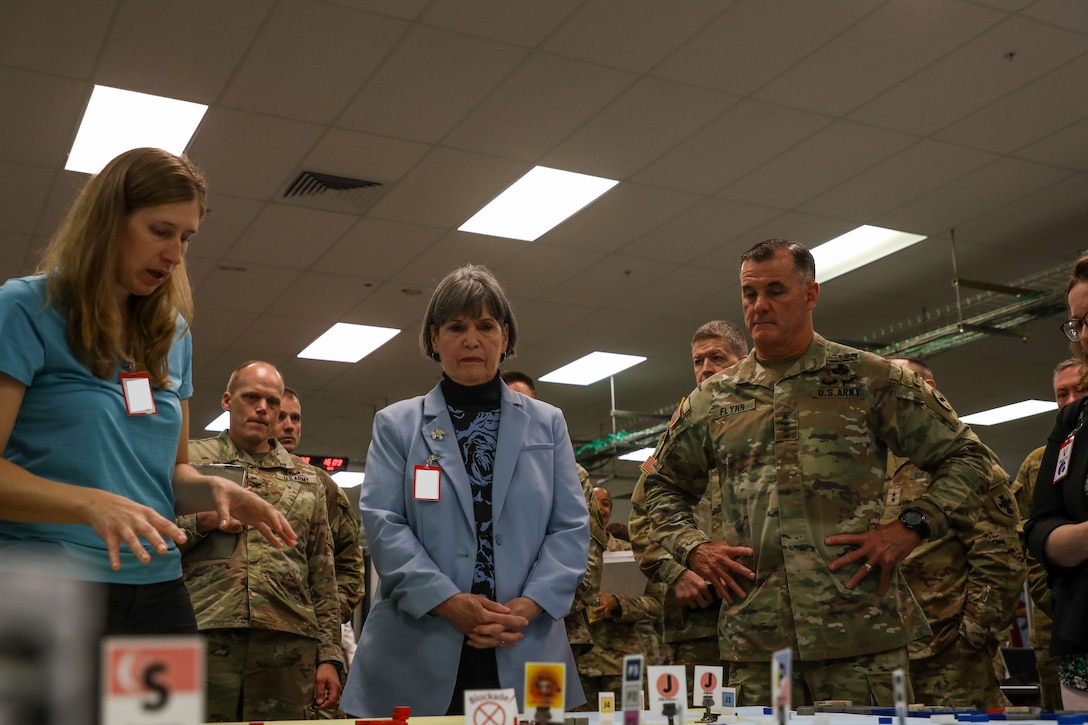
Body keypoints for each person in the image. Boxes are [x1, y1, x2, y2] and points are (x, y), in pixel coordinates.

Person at [641, 239, 999, 707]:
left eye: (776, 291)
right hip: (758, 644)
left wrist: (911, 526)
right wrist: (695, 549)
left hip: (860, 636)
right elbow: (661, 488)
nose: (760, 306)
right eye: (749, 294)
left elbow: (969, 458)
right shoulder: (712, 400)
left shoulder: (870, 379)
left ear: (810, 295)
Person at [0, 147, 294, 636]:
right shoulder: (24, 309)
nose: (175, 254)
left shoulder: (172, 334)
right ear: (107, 223)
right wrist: (88, 503)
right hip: (44, 586)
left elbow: (171, 475)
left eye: (186, 238)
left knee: (161, 719)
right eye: (160, 231)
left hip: (158, 590)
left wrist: (213, 488)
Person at [341, 265, 590, 717]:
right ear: (435, 339)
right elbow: (383, 524)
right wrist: (448, 601)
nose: (471, 340)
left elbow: (570, 527)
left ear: (505, 336)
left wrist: (529, 606)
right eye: (456, 327)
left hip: (524, 638)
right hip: (419, 641)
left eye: (485, 326)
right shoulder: (397, 425)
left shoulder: (547, 423)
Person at [180, 361, 344, 722]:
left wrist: (330, 654)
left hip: (288, 641)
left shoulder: (307, 479)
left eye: (272, 401)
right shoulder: (189, 463)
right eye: (251, 397)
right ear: (227, 400)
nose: (262, 409)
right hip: (203, 630)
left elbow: (323, 572)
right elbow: (151, 537)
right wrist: (204, 521)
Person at [882, 357, 1023, 709]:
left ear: (928, 390)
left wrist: (972, 637)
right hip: (886, 657)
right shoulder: (870, 465)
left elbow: (1000, 558)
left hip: (951, 659)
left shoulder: (963, 464)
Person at [630, 321, 747, 693]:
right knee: (696, 713)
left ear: (743, 361)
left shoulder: (764, 427)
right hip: (696, 625)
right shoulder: (675, 438)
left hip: (760, 615)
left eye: (717, 358)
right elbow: (641, 517)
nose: (706, 369)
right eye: (699, 361)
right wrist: (674, 572)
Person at [500, 371, 608, 669]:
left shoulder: (570, 474)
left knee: (545, 714)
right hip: (487, 625)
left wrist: (537, 604)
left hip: (554, 625)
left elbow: (589, 558)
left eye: (526, 405)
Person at [275, 386, 365, 720]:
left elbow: (350, 567)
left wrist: (320, 623)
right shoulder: (222, 471)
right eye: (281, 416)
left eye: (295, 418)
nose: (289, 426)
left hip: (307, 642)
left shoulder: (321, 485)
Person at [1026, 252, 1088, 710]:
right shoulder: (1073, 421)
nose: (1084, 334)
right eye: (1077, 323)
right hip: (1082, 639)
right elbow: (1041, 526)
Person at [1013, 358, 1087, 710]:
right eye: (1062, 393)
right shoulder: (1042, 460)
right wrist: (1058, 599)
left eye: (1079, 390)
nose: (1070, 399)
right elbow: (1030, 539)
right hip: (1061, 624)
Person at [578, 486, 665, 706]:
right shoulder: (562, 554)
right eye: (594, 501)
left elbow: (657, 603)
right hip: (577, 664)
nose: (600, 508)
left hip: (622, 665)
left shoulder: (631, 554)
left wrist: (618, 602)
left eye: (606, 503)